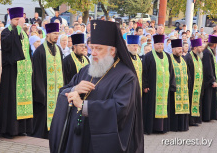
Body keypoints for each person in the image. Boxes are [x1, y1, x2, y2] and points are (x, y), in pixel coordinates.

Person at [49, 20, 143, 153]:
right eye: (91, 48)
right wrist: (74, 89)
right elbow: (63, 91)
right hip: (77, 139)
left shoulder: (126, 77)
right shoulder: (86, 70)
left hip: (98, 143)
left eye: (98, 49)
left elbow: (121, 109)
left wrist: (83, 106)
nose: (93, 53)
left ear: (112, 51)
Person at [0, 7, 34, 138]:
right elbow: (8, 46)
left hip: (23, 73)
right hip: (11, 72)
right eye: (16, 19)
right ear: (11, 19)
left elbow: (28, 53)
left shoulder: (24, 34)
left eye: (20, 19)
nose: (18, 22)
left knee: (21, 101)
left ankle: (21, 128)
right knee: (11, 101)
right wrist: (18, 29)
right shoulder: (6, 32)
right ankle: (9, 130)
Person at [32, 22, 64, 139]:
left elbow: (62, 72)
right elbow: (37, 74)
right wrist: (41, 92)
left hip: (57, 92)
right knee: (42, 118)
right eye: (54, 33)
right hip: (44, 92)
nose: (57, 36)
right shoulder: (40, 51)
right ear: (48, 34)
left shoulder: (58, 49)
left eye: (58, 33)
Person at [142, 34, 176, 134]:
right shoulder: (148, 56)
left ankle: (162, 128)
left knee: (164, 108)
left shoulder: (167, 56)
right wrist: (145, 85)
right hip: (152, 88)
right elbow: (144, 72)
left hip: (164, 89)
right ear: (154, 44)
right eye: (158, 44)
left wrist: (171, 85)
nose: (160, 46)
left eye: (161, 44)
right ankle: (152, 128)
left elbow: (171, 71)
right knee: (151, 108)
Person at [169, 39, 190, 132]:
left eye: (181, 48)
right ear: (173, 50)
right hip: (174, 89)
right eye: (178, 48)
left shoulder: (183, 60)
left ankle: (183, 126)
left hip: (184, 89)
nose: (181, 50)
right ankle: (174, 127)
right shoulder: (169, 59)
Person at [184, 38, 204, 126]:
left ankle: (195, 119)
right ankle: (190, 121)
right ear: (195, 48)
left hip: (198, 85)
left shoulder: (198, 58)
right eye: (200, 47)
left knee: (196, 102)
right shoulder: (188, 57)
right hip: (191, 85)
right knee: (190, 102)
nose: (202, 48)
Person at [202, 35, 217, 122]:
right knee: (207, 99)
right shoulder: (207, 53)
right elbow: (208, 68)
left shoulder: (209, 52)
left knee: (209, 99)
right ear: (214, 44)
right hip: (207, 81)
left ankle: (209, 116)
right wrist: (212, 80)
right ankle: (206, 117)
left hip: (209, 80)